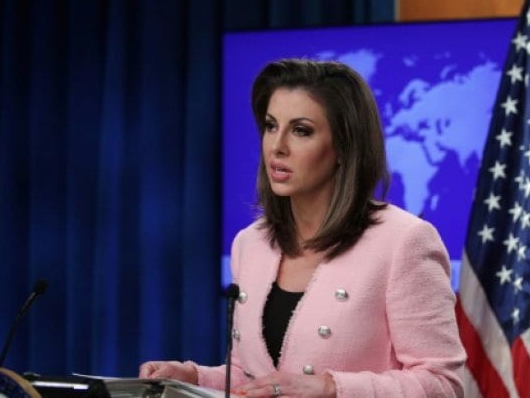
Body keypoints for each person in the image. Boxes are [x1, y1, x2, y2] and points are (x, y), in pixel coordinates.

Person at [139, 59, 466, 397]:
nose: (277, 146)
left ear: (344, 147)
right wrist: (191, 377)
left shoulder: (404, 241)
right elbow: (254, 376)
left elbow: (443, 384)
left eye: (301, 130)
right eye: (271, 126)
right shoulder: (250, 243)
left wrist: (332, 388)